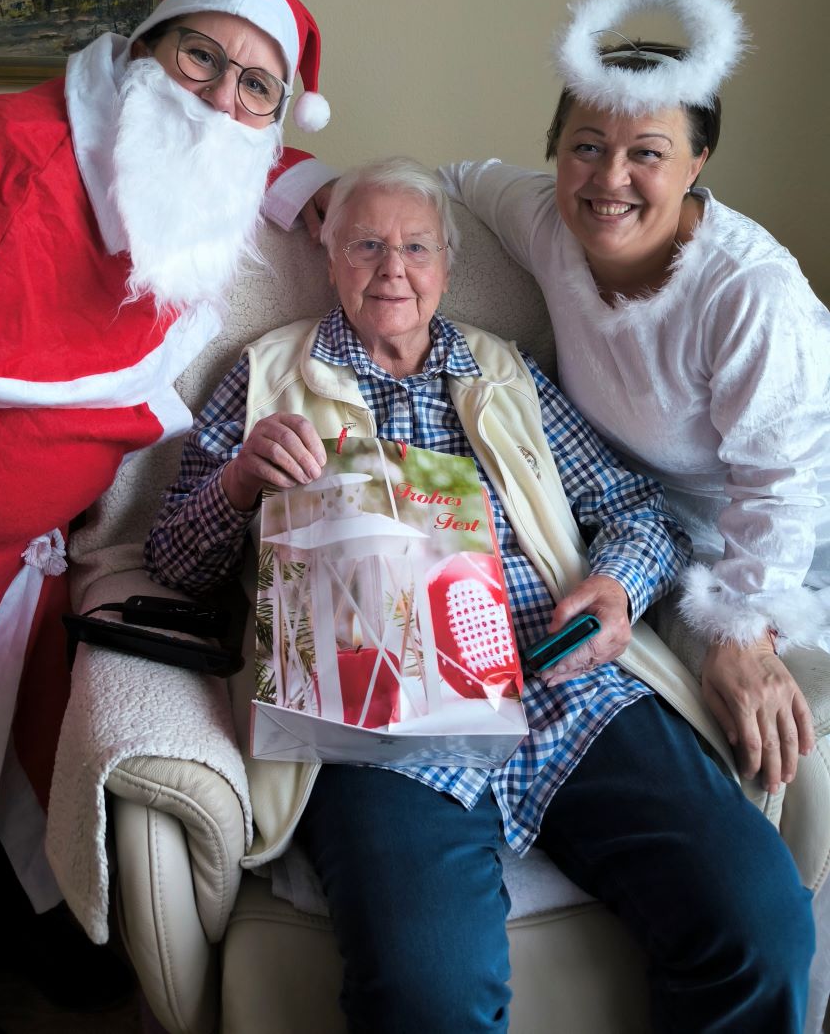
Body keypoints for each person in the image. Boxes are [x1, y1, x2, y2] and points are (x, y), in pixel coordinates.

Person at [144, 157, 814, 1034]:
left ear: (447, 266)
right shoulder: (267, 373)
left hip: (563, 683)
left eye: (416, 246)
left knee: (758, 919)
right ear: (332, 258)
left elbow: (636, 509)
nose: (394, 268)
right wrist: (236, 484)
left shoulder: (506, 372)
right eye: (368, 245)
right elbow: (171, 562)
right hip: (378, 720)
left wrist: (615, 588)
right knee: (428, 989)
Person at [0, 0, 335, 1034]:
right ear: (140, 54)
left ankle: (3, 948)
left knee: (11, 799)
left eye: (258, 84)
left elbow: (227, 148)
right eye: (200, 57)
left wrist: (319, 187)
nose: (219, 98)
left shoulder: (195, 152)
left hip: (18, 573)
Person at [442, 0, 830, 802]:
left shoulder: (749, 291)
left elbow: (785, 482)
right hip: (642, 524)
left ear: (697, 163)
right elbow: (462, 176)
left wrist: (745, 630)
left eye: (646, 153)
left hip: (786, 529)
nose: (609, 178)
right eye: (586, 146)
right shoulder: (547, 218)